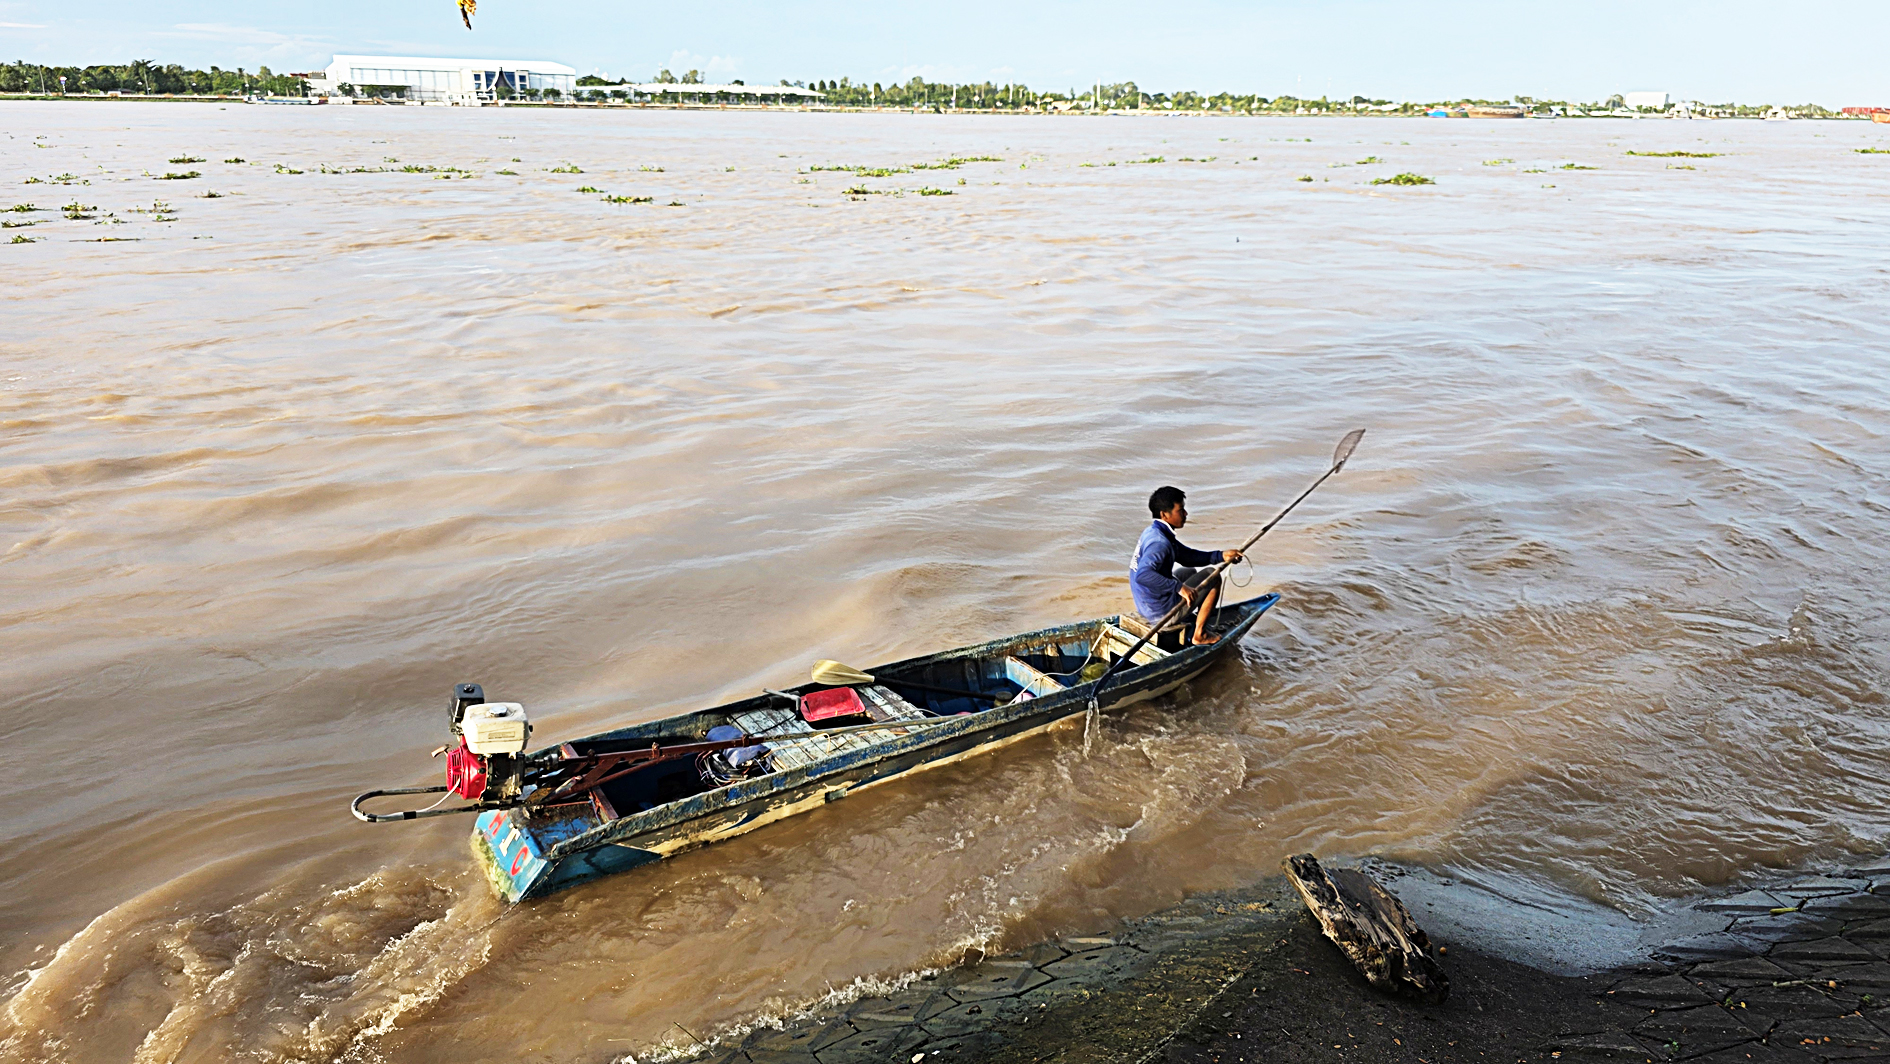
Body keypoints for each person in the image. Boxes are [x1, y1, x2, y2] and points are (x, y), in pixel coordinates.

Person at [1130, 486, 1243, 645]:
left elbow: (1186, 556)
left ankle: (1196, 615)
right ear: (1165, 514)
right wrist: (1178, 587)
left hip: (1146, 604)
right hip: (1160, 613)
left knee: (1187, 571)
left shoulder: (1153, 531)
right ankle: (1200, 634)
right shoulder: (1160, 543)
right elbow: (1143, 575)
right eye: (1180, 510)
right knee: (1213, 576)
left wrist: (1221, 555)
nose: (1185, 514)